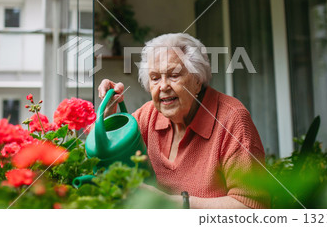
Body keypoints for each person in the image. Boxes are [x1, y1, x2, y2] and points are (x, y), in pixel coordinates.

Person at [98, 33, 269, 209]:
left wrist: (176, 205)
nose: (163, 86)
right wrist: (109, 113)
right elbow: (105, 163)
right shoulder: (147, 116)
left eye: (174, 75)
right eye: (155, 78)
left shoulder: (232, 119)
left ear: (197, 80)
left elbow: (253, 207)